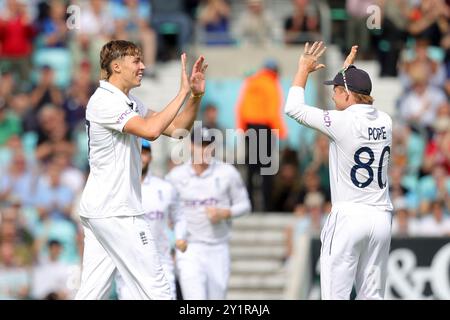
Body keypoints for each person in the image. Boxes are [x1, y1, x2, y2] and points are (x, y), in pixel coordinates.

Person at [75, 40, 207, 300]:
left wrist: (195, 96)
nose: (143, 66)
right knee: (158, 290)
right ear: (116, 66)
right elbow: (151, 131)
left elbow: (179, 129)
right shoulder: (104, 101)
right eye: (136, 61)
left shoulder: (129, 101)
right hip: (118, 211)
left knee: (91, 294)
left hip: (102, 210)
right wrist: (180, 92)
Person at [284, 41, 393, 300]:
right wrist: (348, 71)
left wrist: (302, 70)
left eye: (335, 91)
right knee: (373, 296)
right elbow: (356, 98)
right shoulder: (385, 120)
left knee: (334, 296)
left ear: (346, 93)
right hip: (380, 217)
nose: (332, 96)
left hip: (348, 216)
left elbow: (293, 109)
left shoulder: (342, 122)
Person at [166, 126, 251, 299]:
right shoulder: (176, 176)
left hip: (218, 247)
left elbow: (245, 205)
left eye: (207, 145)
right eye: (199, 144)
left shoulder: (227, 172)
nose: (204, 150)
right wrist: (173, 240)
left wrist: (224, 213)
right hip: (189, 248)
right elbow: (166, 211)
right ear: (190, 146)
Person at [115, 140, 187, 299]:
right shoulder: (117, 188)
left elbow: (179, 215)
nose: (141, 157)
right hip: (129, 267)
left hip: (160, 264)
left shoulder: (165, 188)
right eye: (138, 152)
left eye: (144, 152)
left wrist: (180, 237)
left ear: (151, 157)